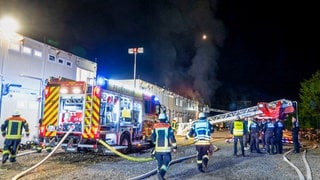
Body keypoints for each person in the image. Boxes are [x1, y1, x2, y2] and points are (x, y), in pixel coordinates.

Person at [151, 113, 177, 180]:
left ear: (159, 119)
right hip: (166, 149)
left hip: (158, 149)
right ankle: (161, 173)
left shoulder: (155, 126)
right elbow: (172, 137)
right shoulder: (168, 126)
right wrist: (174, 147)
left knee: (160, 162)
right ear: (166, 119)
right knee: (167, 160)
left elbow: (153, 137)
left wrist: (155, 143)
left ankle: (160, 177)